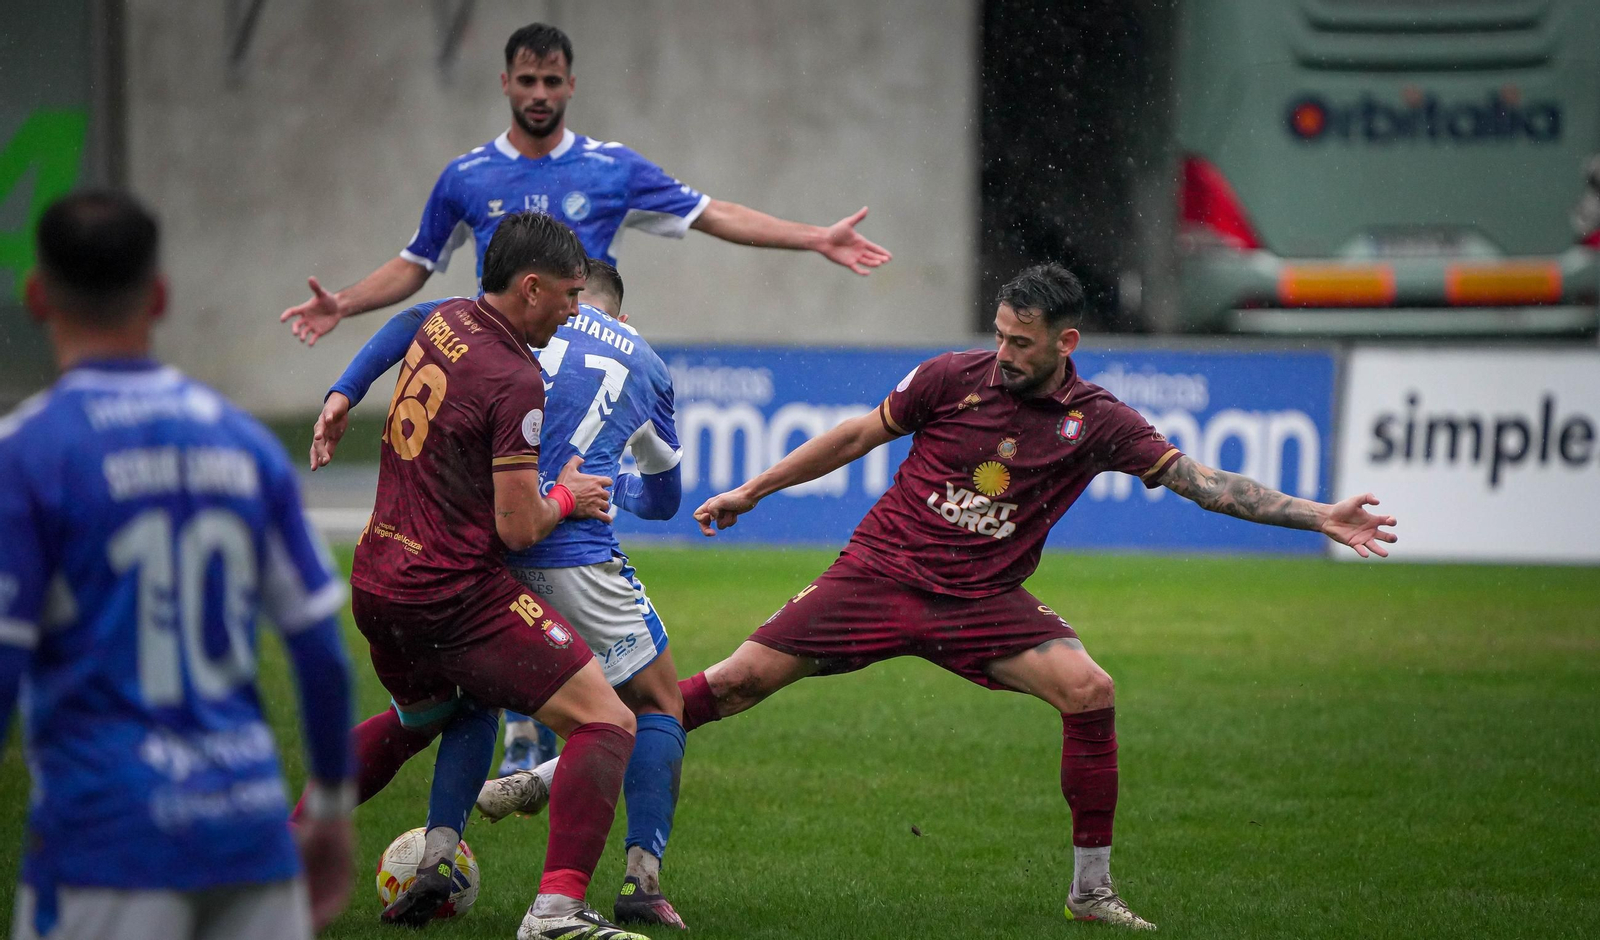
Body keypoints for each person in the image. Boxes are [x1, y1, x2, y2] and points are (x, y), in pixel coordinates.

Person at [680, 263, 1397, 930]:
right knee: (736, 682)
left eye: (1021, 343)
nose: (1004, 353)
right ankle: (578, 759)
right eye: (999, 335)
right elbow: (855, 437)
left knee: (1089, 689)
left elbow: (1202, 483)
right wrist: (752, 490)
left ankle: (1090, 892)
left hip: (982, 601)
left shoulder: (1099, 420)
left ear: (1066, 342)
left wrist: (1317, 515)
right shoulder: (949, 377)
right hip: (880, 573)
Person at [0, 191, 356, 940]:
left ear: (36, 296)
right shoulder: (243, 443)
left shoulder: (29, 456)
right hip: (250, 836)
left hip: (105, 849)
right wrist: (326, 809)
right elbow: (320, 650)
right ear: (159, 295)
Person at [311, 259, 693, 928]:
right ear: (615, 315)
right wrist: (607, 491)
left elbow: (411, 320)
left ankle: (431, 851)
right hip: (561, 551)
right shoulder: (644, 361)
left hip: (453, 560)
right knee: (652, 703)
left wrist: (342, 390)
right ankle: (633, 882)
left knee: (447, 709)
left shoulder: (498, 333)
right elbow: (665, 500)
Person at [279, 22, 891, 348]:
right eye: (527, 80)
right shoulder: (466, 176)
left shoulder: (612, 168)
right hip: (498, 352)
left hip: (583, 350)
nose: (539, 94)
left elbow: (712, 213)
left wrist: (815, 237)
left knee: (575, 510)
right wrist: (345, 303)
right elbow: (417, 263)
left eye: (551, 81)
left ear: (571, 84)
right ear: (505, 84)